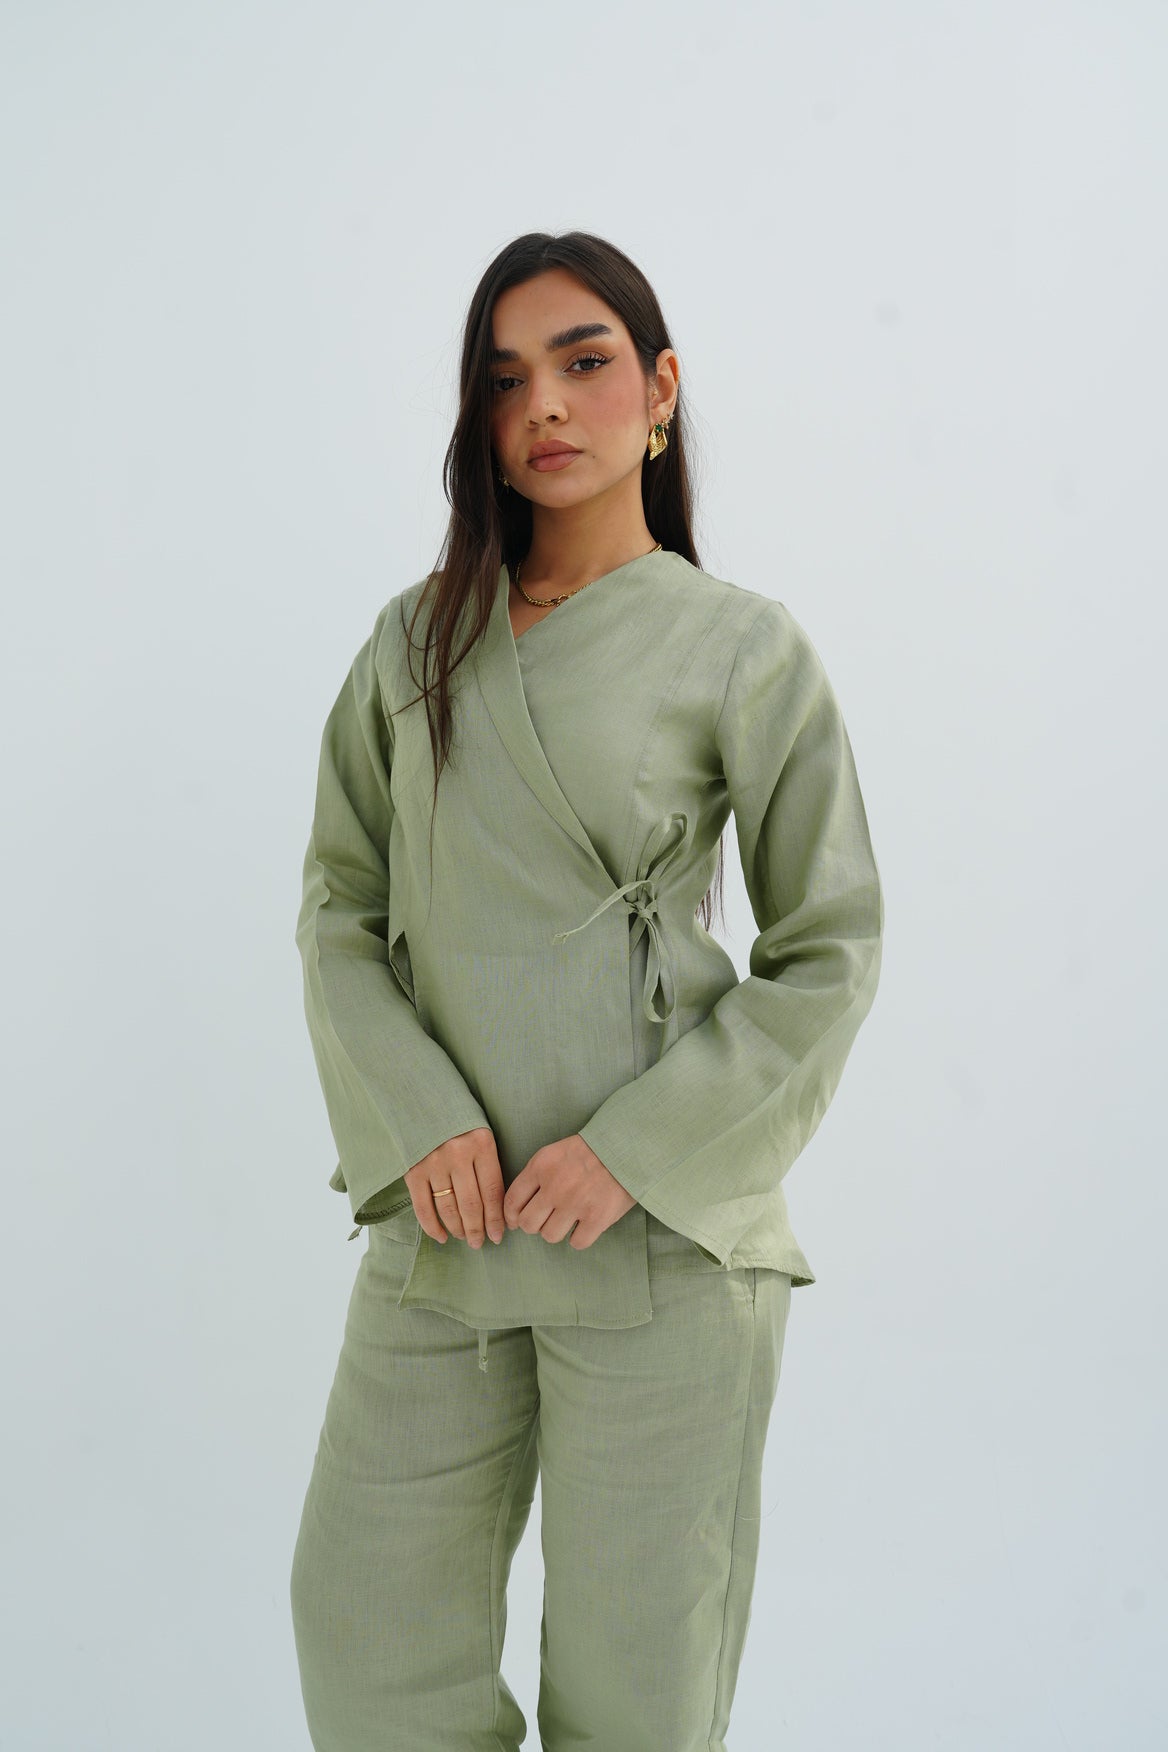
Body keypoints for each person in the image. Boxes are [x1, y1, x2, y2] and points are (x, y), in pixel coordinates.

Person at [289, 229, 883, 1752]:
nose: (543, 405)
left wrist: (633, 1152)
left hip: (659, 1243)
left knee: (635, 1698)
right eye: (504, 381)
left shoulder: (743, 648)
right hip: (443, 1235)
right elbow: (341, 907)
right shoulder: (412, 642)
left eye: (583, 361)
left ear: (661, 389)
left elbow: (829, 946)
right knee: (363, 1636)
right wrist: (416, 1115)